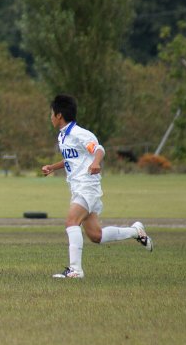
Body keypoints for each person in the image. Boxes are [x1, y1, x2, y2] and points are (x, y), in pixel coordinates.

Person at [41, 94, 153, 279]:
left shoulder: (80, 133)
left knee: (71, 222)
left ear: (59, 115)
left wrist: (96, 162)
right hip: (78, 187)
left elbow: (99, 149)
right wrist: (53, 167)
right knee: (96, 235)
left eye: (51, 113)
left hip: (87, 186)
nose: (50, 117)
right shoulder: (63, 136)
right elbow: (73, 159)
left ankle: (75, 270)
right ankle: (136, 232)